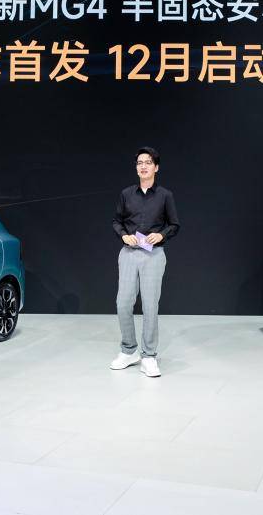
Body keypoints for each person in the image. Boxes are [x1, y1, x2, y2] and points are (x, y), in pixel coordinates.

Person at [109, 146, 180, 378]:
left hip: (153, 255)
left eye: (148, 162)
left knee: (150, 306)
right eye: (140, 162)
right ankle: (129, 350)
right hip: (129, 253)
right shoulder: (126, 194)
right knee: (123, 303)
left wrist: (161, 235)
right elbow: (116, 221)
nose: (143, 166)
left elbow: (174, 224)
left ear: (156, 167)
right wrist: (123, 235)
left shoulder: (165, 195)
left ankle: (149, 356)